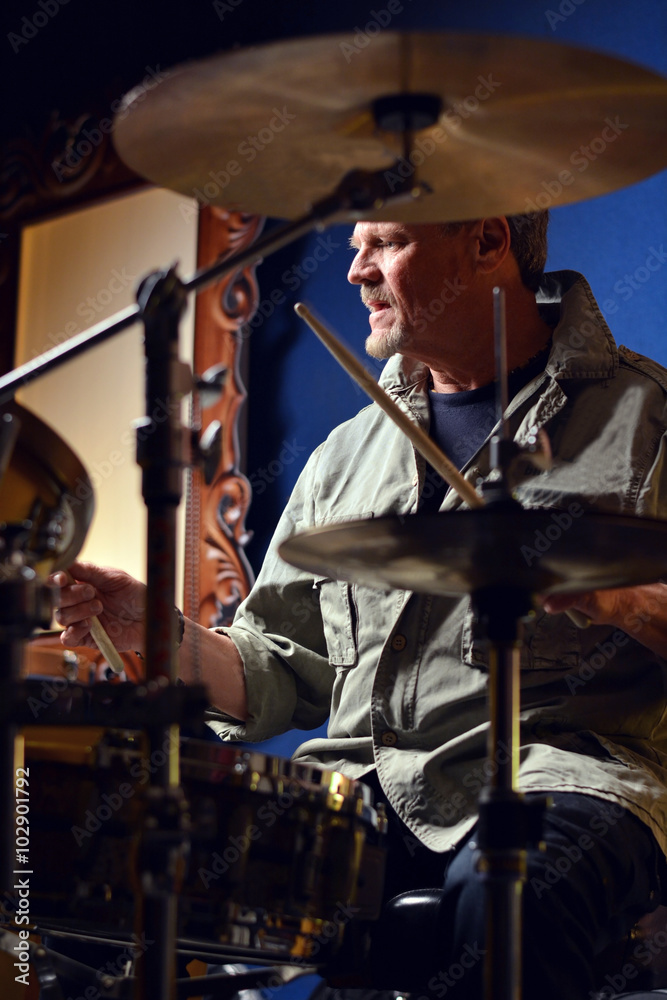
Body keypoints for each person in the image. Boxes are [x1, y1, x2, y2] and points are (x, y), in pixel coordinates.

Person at [53, 212, 667, 1000]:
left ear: (485, 243)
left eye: (386, 243)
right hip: (362, 801)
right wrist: (161, 634)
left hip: (563, 778)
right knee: (89, 864)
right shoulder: (346, 456)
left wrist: (610, 594)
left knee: (507, 895)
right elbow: (277, 671)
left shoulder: (645, 419)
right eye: (354, 248)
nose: (356, 272)